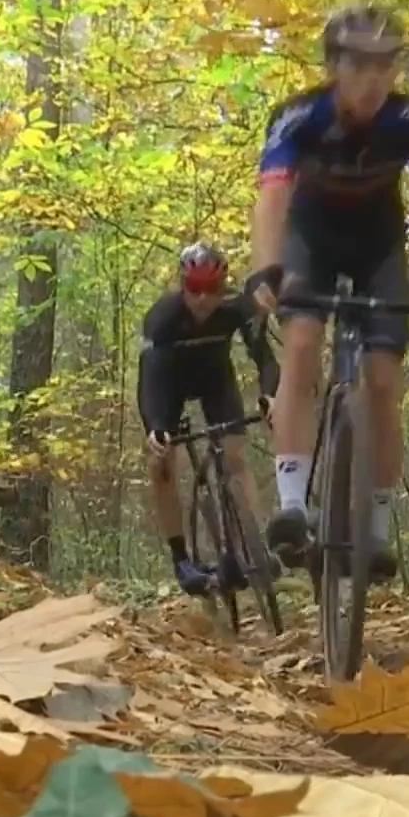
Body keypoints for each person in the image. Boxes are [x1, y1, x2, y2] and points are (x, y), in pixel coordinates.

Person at [245, 2, 409, 583]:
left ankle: (374, 529)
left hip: (378, 247)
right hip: (310, 241)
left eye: (386, 65)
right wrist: (266, 269)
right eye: (359, 65)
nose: (373, 79)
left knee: (384, 382)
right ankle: (293, 505)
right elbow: (271, 197)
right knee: (299, 343)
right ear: (333, 65)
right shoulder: (298, 117)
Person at [138, 243, 281, 595]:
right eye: (194, 290)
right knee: (161, 464)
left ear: (224, 287)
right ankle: (181, 559)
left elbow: (263, 356)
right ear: (182, 285)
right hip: (168, 384)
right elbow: (151, 378)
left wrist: (270, 394)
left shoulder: (238, 308)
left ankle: (250, 545)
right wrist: (156, 425)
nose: (203, 300)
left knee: (234, 455)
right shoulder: (163, 317)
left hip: (216, 379)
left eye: (212, 290)